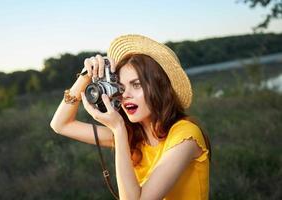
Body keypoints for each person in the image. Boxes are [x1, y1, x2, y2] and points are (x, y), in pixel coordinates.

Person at [50, 34, 211, 200]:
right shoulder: (134, 135)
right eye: (120, 87)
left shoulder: (186, 136)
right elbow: (61, 124)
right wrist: (86, 75)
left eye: (136, 84)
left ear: (160, 88)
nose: (124, 95)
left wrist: (118, 129)